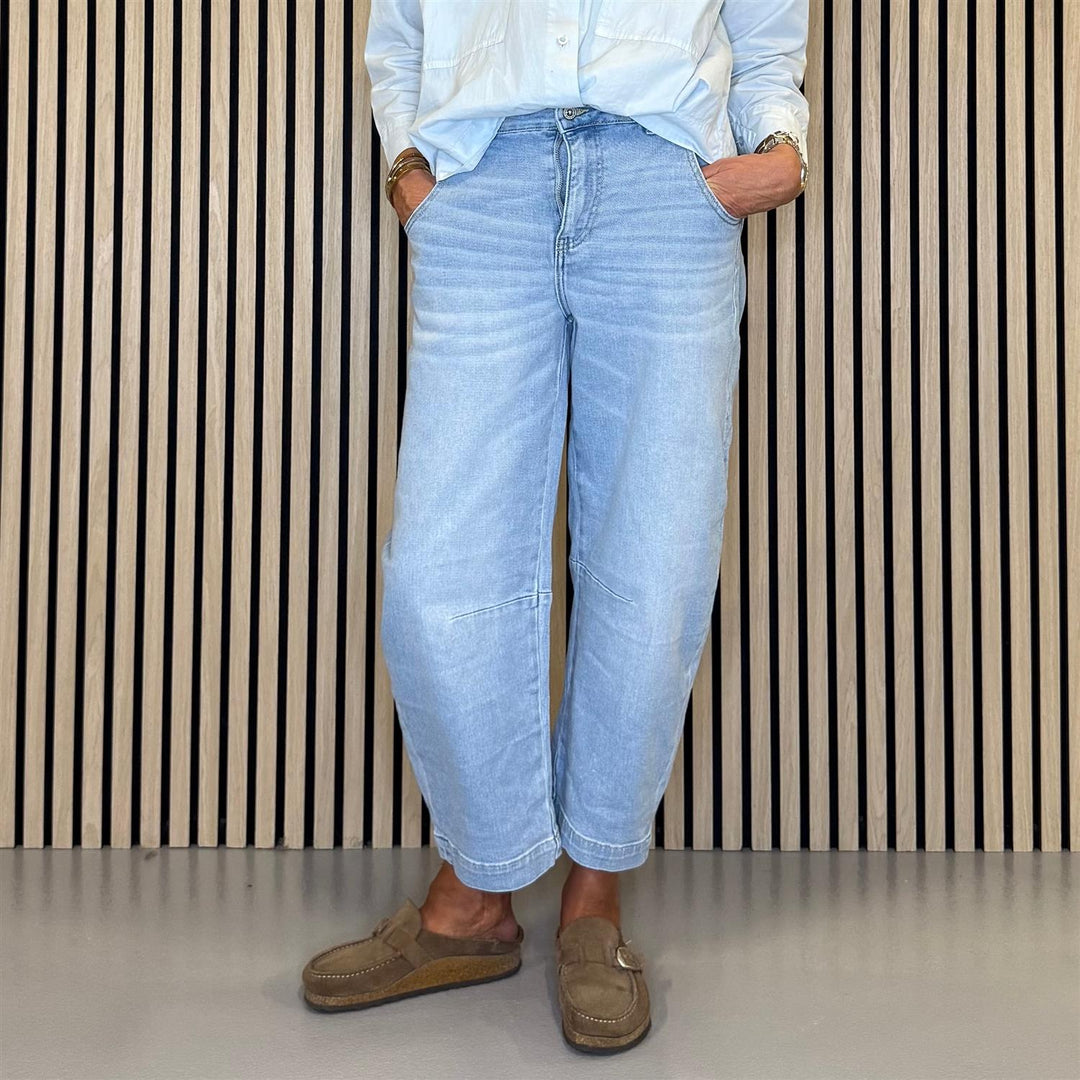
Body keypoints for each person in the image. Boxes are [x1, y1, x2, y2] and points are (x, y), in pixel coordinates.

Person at [302, 0, 809, 1054]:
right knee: (438, 574)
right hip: (485, 181)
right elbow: (400, 33)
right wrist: (410, 171)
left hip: (663, 184)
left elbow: (765, 37)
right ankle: (476, 894)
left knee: (653, 563)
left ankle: (595, 896)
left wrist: (778, 152)